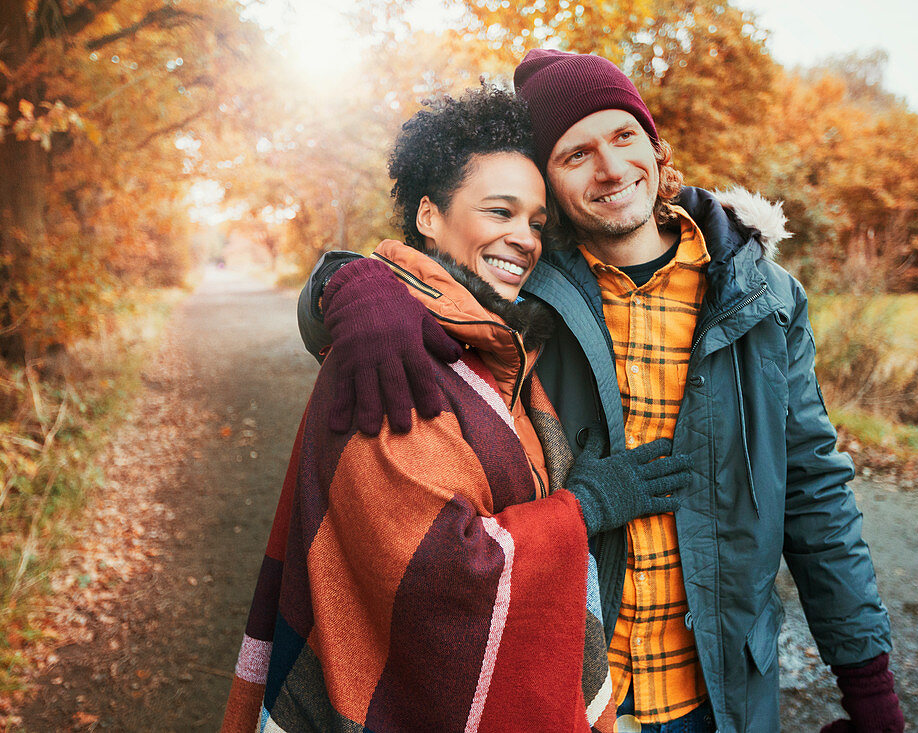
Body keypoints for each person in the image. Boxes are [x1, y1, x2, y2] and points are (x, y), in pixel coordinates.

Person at [297, 51, 905, 733]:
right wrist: (352, 287)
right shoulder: (521, 289)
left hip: (718, 697)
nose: (611, 168)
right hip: (570, 695)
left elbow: (815, 492)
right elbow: (423, 264)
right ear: (549, 184)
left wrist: (869, 687)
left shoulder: (762, 297)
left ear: (654, 145)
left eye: (623, 137)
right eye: (575, 152)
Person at [221, 86, 696, 733]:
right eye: (500, 210)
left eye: (534, 221)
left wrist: (343, 273)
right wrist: (585, 507)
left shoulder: (496, 343)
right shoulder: (389, 353)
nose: (523, 238)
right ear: (428, 215)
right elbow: (437, 577)